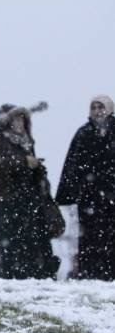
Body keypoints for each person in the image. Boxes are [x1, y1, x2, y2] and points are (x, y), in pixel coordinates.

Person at [0, 104, 60, 280]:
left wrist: (40, 173)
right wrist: (23, 162)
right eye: (15, 119)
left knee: (37, 246)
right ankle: (16, 279)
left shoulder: (27, 143)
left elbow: (34, 177)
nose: (19, 123)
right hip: (9, 203)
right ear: (6, 122)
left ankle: (42, 277)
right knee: (13, 248)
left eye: (22, 119)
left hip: (33, 204)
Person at [56, 95, 115, 280]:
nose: (98, 111)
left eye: (101, 107)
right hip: (90, 198)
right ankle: (91, 274)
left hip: (112, 196)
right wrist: (70, 192)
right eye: (94, 107)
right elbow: (72, 164)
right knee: (90, 238)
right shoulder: (83, 133)